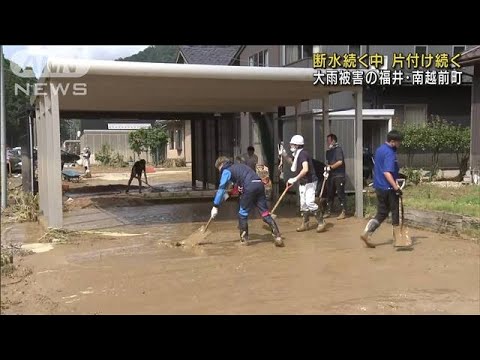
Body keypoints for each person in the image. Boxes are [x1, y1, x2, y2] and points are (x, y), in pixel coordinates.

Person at [210, 156, 284, 247]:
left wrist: (215, 205)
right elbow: (236, 188)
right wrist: (225, 197)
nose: (219, 171)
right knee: (265, 213)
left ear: (221, 164)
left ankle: (244, 240)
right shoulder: (239, 167)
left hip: (249, 187)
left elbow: (221, 188)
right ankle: (277, 237)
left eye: (219, 168)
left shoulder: (226, 170)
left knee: (242, 213)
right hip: (259, 185)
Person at [360, 130, 407, 248]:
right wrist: (396, 187)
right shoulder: (390, 153)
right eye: (398, 142)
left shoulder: (379, 149)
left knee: (382, 213)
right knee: (395, 211)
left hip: (379, 187)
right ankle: (398, 239)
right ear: (392, 142)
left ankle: (367, 232)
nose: (399, 145)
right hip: (389, 187)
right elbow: (387, 172)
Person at [278, 135, 326, 233]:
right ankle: (305, 223)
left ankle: (321, 222)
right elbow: (293, 163)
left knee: (310, 203)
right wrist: (284, 155)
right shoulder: (297, 154)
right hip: (303, 182)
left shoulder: (303, 154)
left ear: (297, 145)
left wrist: (295, 178)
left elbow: (305, 169)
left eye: (292, 144)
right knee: (303, 204)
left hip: (310, 182)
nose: (290, 145)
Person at [324, 134, 347, 220]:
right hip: (331, 175)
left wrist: (331, 167)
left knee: (340, 193)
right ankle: (329, 211)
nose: (327, 142)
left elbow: (340, 162)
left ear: (333, 141)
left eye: (328, 141)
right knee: (330, 193)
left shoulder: (338, 150)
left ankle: (343, 211)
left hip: (339, 175)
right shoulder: (329, 152)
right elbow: (328, 162)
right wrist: (327, 169)